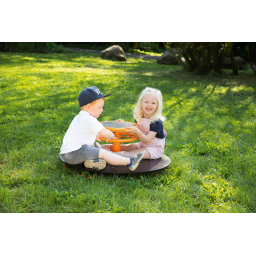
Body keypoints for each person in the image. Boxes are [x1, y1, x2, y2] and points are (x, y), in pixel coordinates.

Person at [60, 86, 145, 171]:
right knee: (104, 153)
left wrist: (97, 136)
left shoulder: (80, 116)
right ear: (88, 106)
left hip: (68, 153)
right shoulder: (89, 119)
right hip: (74, 153)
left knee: (99, 149)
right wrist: (112, 136)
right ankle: (130, 162)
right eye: (99, 107)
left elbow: (84, 133)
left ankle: (92, 162)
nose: (102, 110)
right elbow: (106, 133)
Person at [102, 87, 166, 160]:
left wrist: (137, 132)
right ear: (141, 103)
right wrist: (123, 124)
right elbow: (135, 127)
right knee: (125, 147)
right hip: (143, 145)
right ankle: (100, 148)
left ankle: (107, 155)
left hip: (154, 148)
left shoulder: (156, 122)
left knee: (134, 153)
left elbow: (147, 139)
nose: (149, 105)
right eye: (146, 102)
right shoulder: (139, 118)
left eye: (153, 103)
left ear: (157, 105)